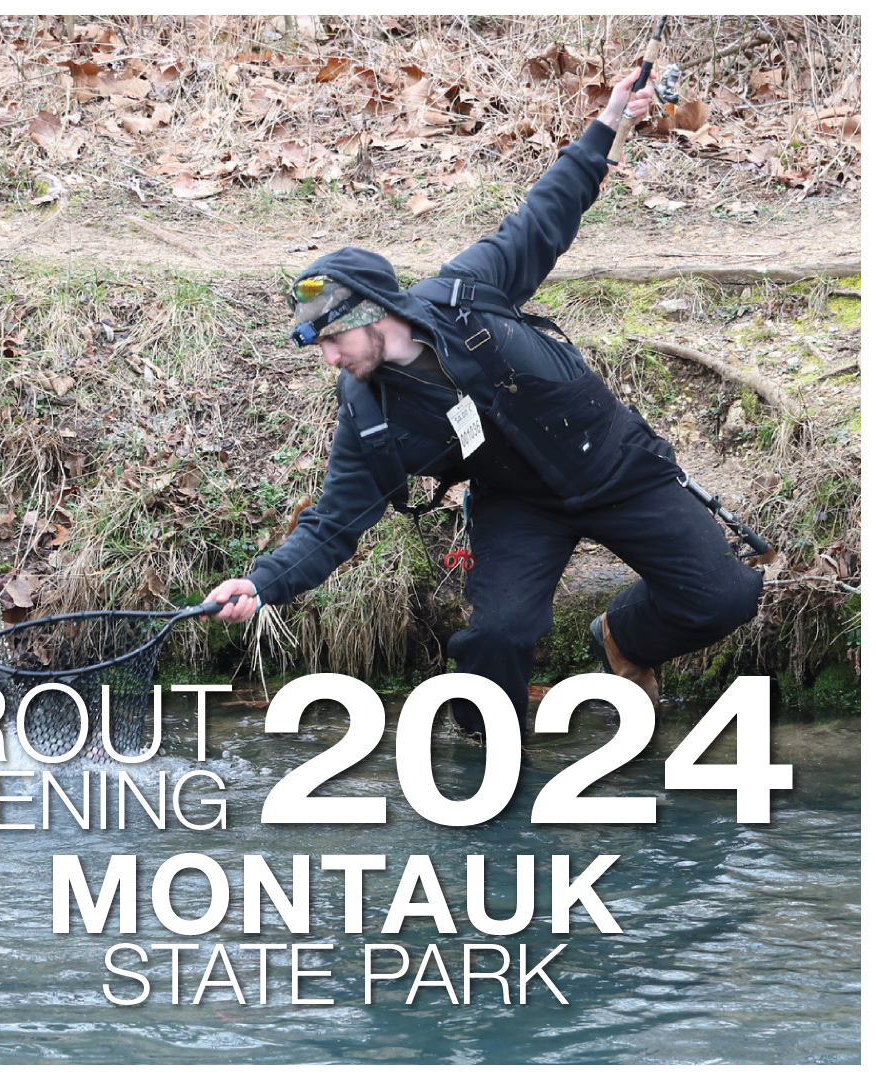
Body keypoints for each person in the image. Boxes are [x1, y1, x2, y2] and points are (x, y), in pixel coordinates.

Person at [204, 69, 763, 737]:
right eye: (319, 346)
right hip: (518, 505)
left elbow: (546, 214)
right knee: (498, 635)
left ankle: (624, 642)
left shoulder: (465, 289)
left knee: (724, 598)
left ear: (375, 311)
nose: (330, 358)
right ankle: (484, 758)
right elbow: (332, 524)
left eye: (334, 339)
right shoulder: (367, 413)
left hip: (617, 465)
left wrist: (611, 117)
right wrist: (263, 584)